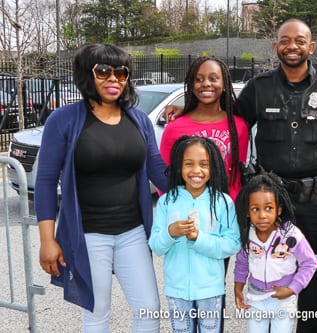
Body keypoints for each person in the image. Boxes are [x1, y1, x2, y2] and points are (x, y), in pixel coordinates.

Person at [164, 19, 317, 332]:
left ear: (310, 47)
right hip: (271, 205)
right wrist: (186, 110)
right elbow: (224, 119)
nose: (292, 46)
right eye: (285, 40)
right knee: (270, 273)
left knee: (310, 280)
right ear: (276, 48)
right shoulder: (260, 87)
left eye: (299, 41)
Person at [35, 43, 168, 332]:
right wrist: (47, 240)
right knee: (97, 313)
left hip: (133, 233)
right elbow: (45, 181)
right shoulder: (64, 120)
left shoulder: (139, 120)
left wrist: (200, 179)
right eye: (104, 71)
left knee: (148, 310)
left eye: (121, 73)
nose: (114, 79)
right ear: (86, 74)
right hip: (88, 235)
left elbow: (159, 171)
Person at [148, 135, 240, 333]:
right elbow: (155, 245)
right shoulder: (167, 201)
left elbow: (232, 244)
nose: (196, 171)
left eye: (204, 164)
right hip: (177, 290)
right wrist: (170, 233)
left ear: (213, 167)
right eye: (188, 164)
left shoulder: (223, 202)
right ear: (178, 167)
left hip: (211, 290)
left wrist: (199, 239)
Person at [233, 171, 317, 333]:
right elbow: (242, 262)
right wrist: (238, 287)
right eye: (255, 209)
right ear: (247, 212)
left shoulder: (290, 234)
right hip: (255, 298)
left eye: (268, 208)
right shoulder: (247, 235)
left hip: (284, 299)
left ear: (278, 210)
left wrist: (293, 288)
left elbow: (309, 262)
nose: (262, 215)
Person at [159, 56, 249, 202]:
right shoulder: (174, 128)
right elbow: (164, 175)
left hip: (227, 210)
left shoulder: (238, 126)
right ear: (191, 85)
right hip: (187, 212)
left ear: (225, 84)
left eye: (213, 78)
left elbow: (236, 177)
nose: (206, 84)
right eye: (199, 79)